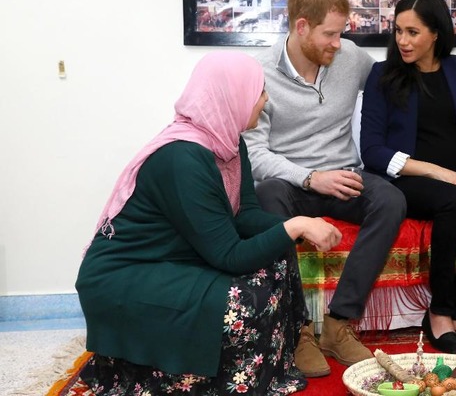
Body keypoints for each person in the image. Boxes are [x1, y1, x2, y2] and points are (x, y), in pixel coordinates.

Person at [75, 52, 343, 395]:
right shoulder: (182, 158)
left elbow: (244, 215)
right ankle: (218, 381)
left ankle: (269, 369)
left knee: (278, 258)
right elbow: (228, 256)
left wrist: (297, 226)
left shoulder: (230, 142)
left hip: (177, 259)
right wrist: (294, 227)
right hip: (127, 275)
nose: (265, 100)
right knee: (244, 299)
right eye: (259, 92)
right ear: (232, 96)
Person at [242, 0, 407, 377]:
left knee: (391, 200)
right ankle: (298, 331)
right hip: (290, 181)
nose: (339, 43)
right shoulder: (258, 73)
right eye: (330, 34)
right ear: (301, 27)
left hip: (345, 177)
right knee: (266, 198)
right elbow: (254, 154)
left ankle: (337, 325)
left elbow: (397, 82)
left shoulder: (350, 57)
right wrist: (310, 177)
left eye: (342, 32)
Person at [359, 0, 456, 354]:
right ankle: (439, 313)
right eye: (398, 31)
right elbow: (372, 151)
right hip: (407, 179)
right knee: (455, 203)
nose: (402, 41)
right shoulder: (383, 75)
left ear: (436, 34)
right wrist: (434, 171)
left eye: (413, 32)